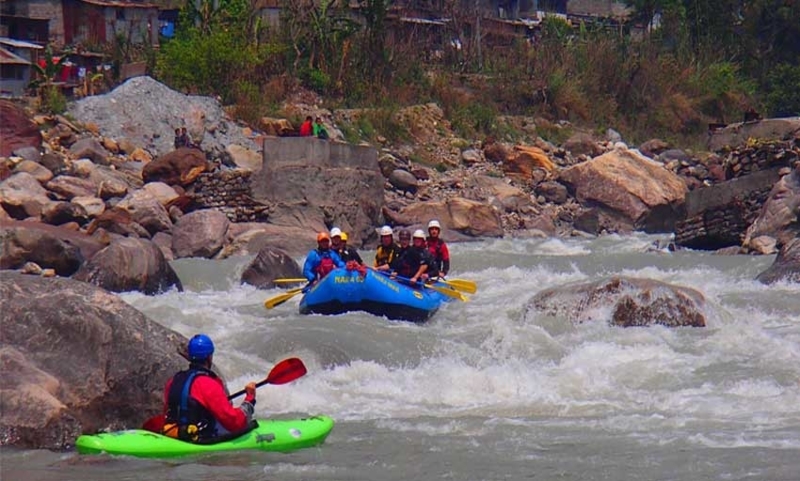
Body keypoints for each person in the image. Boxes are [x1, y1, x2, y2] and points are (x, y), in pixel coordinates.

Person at [162, 334, 256, 442]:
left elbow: (167, 412)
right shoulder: (208, 384)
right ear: (209, 357)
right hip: (199, 439)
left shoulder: (174, 380)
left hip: (173, 434)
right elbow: (234, 422)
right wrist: (249, 399)